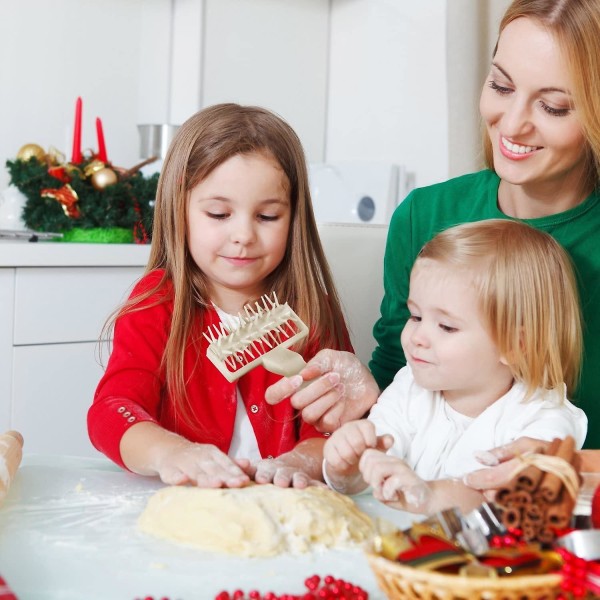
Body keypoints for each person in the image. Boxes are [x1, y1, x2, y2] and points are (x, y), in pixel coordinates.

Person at [265, 0, 600, 455]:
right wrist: (366, 402)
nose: (513, 123)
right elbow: (396, 371)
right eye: (500, 86)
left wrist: (554, 470)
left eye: (553, 106)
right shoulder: (425, 215)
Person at [87, 103, 352, 489]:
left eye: (267, 217)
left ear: (293, 217)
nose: (243, 235)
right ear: (181, 210)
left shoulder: (313, 310)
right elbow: (112, 412)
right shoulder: (159, 303)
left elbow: (335, 431)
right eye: (218, 214)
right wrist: (171, 453)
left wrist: (301, 461)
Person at [322, 220, 587, 514]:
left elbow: (505, 501)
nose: (417, 338)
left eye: (446, 326)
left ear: (516, 345)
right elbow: (374, 470)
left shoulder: (543, 419)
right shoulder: (410, 386)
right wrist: (347, 468)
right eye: (415, 316)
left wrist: (430, 495)